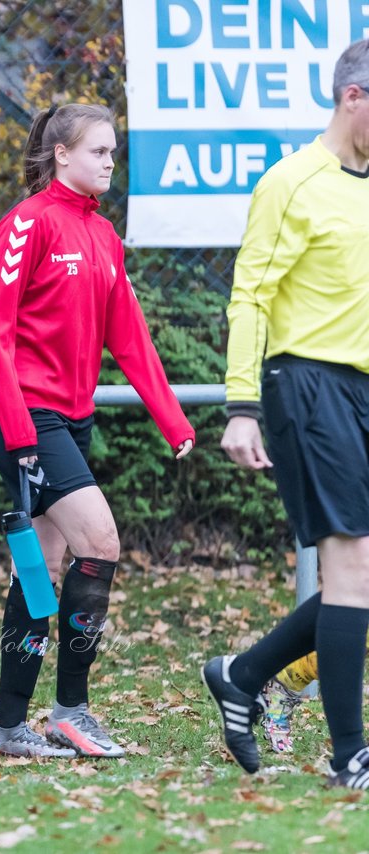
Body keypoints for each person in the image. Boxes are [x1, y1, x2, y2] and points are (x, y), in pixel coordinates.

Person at [0, 103, 195, 759]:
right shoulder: (27, 223)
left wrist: (170, 417)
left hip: (71, 416)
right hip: (22, 414)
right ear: (61, 153)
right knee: (99, 542)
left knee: (40, 570)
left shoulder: (104, 236)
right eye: (99, 151)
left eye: (113, 153)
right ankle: (71, 710)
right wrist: (17, 432)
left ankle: (10, 727)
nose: (109, 163)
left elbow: (129, 336)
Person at [203, 38, 369, 789]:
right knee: (351, 568)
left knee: (360, 581)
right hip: (305, 384)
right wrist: (242, 407)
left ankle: (243, 674)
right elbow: (250, 298)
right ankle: (349, 757)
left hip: (363, 390)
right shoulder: (290, 182)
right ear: (353, 97)